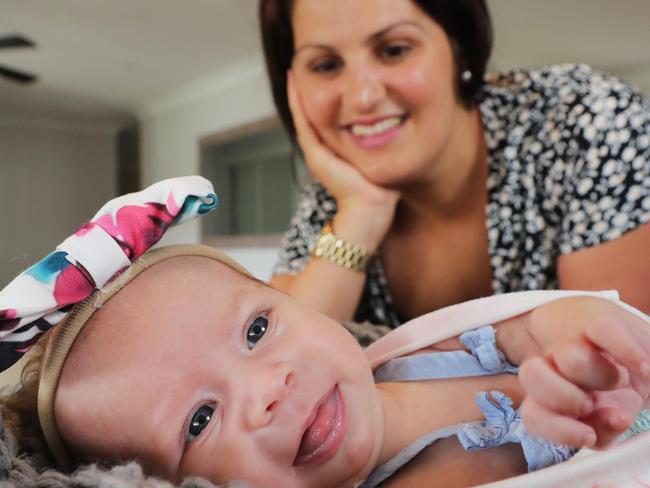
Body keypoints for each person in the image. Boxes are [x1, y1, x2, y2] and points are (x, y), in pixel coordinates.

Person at [0, 177, 649, 488]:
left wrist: (580, 335)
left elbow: (529, 323)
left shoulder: (417, 353)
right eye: (199, 420)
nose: (267, 392)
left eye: (256, 329)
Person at [259, 0, 650, 326]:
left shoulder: (585, 120)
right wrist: (362, 213)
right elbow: (273, 371)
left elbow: (614, 386)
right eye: (326, 65)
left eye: (394, 50)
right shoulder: (336, 194)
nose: (361, 95)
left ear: (460, 45)